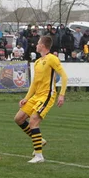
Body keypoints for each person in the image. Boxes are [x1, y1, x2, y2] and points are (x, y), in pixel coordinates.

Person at [13, 35, 68, 163]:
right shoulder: (37, 62)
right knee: (18, 119)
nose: (36, 45)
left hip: (47, 95)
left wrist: (62, 94)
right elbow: (34, 83)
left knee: (33, 121)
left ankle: (39, 156)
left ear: (42, 45)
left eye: (38, 43)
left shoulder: (52, 59)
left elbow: (64, 77)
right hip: (36, 96)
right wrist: (26, 98)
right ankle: (40, 140)